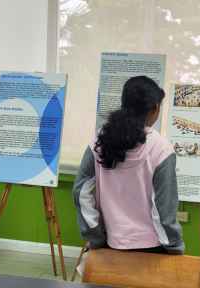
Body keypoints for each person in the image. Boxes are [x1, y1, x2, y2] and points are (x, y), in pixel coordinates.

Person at [73, 76, 184, 256]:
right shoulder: (162, 146)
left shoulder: (100, 139)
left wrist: (95, 234)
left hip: (111, 241)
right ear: (156, 108)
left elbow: (80, 192)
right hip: (152, 246)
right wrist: (173, 245)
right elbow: (165, 207)